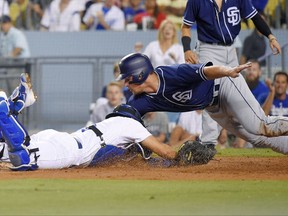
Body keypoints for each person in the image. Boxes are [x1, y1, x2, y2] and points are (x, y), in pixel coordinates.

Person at [116, 53, 288, 164]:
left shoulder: (172, 74)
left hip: (224, 84)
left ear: (140, 74)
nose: (125, 83)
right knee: (256, 137)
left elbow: (205, 71)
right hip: (212, 106)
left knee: (259, 125)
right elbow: (123, 122)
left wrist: (227, 71)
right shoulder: (138, 101)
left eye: (127, 78)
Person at [0, 73, 194, 171]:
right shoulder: (131, 125)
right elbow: (167, 152)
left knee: (3, 152)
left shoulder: (114, 123)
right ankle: (5, 109)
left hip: (59, 139)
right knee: (23, 159)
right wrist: (186, 158)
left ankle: (15, 105)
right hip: (69, 150)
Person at [180, 0, 281, 152]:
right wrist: (187, 49)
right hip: (208, 48)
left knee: (238, 94)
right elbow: (186, 26)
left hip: (231, 49)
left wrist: (271, 37)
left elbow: (255, 17)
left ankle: (259, 125)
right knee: (210, 93)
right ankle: (208, 143)